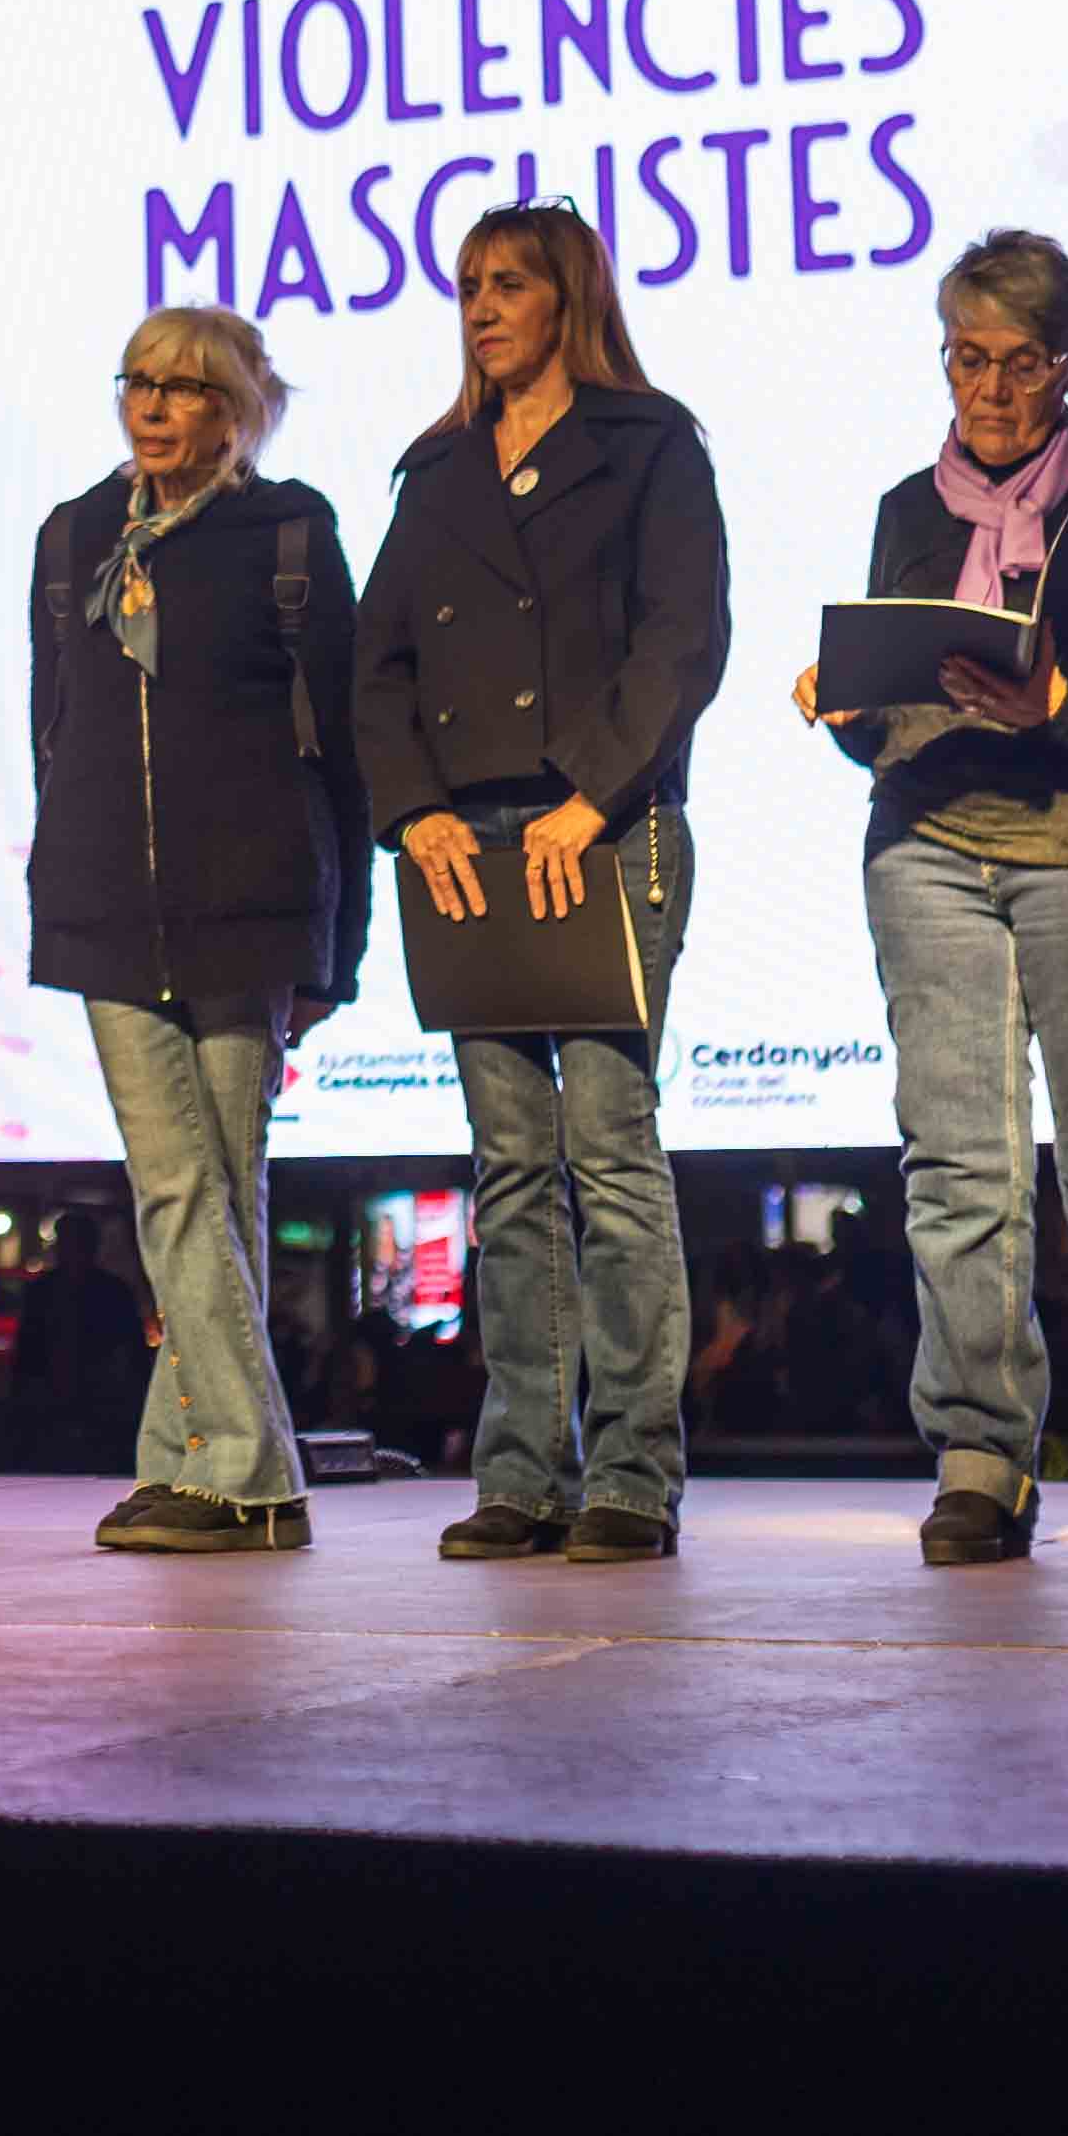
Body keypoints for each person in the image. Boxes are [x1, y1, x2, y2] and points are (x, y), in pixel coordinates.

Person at [794, 229, 1068, 1567]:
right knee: (957, 1169)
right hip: (930, 840)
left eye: (1018, 364)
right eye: (965, 358)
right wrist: (849, 713)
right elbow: (890, 713)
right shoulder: (908, 507)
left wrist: (1061, 704)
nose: (986, 390)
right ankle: (982, 1456)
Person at [354, 199, 726, 1568]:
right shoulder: (436, 471)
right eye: (467, 287)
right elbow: (376, 665)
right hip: (469, 850)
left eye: (509, 284)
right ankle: (520, 1470)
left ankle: (631, 1471)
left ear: (568, 299)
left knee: (611, 1154)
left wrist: (592, 795)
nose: (483, 308)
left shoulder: (647, 447)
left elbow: (682, 641)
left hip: (603, 826)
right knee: (509, 1170)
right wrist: (413, 817)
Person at [24, 302, 372, 1557]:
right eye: (138, 384)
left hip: (256, 908)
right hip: (107, 906)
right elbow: (50, 734)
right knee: (176, 1187)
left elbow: (342, 747)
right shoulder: (74, 538)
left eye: (184, 389)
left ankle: (209, 1464)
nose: (155, 408)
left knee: (221, 1190)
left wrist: (345, 944)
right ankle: (233, 1466)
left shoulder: (289, 531)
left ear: (236, 408)